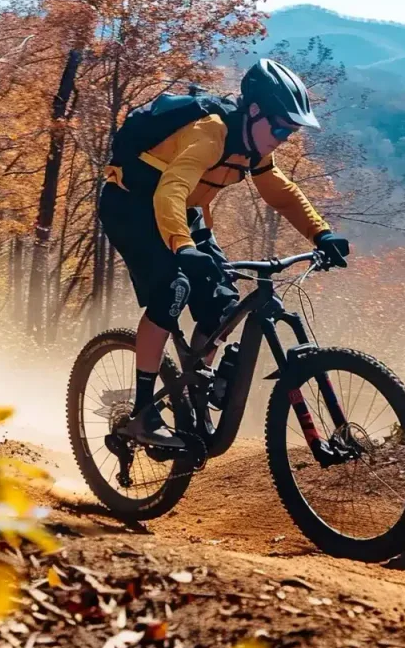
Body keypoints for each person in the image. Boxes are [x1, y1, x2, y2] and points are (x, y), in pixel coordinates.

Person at [98, 58, 351, 448]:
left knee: (223, 302)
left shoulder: (253, 147)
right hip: (131, 206)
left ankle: (194, 383)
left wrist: (322, 234)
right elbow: (171, 191)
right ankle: (143, 414)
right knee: (172, 290)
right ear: (253, 111)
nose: (283, 137)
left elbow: (280, 192)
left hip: (183, 213)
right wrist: (181, 246)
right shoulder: (210, 134)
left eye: (291, 130)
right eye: (280, 126)